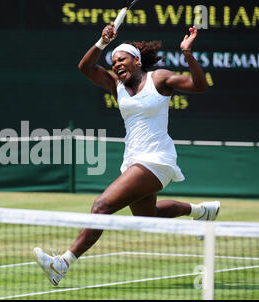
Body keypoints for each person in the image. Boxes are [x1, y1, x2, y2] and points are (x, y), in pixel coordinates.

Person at [34, 25, 220, 286]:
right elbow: (85, 68)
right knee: (148, 216)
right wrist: (102, 42)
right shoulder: (115, 84)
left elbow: (199, 85)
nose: (117, 64)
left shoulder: (159, 79)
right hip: (133, 160)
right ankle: (202, 211)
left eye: (122, 59)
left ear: (136, 60)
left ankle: (62, 263)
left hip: (157, 159)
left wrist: (188, 53)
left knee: (101, 207)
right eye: (113, 61)